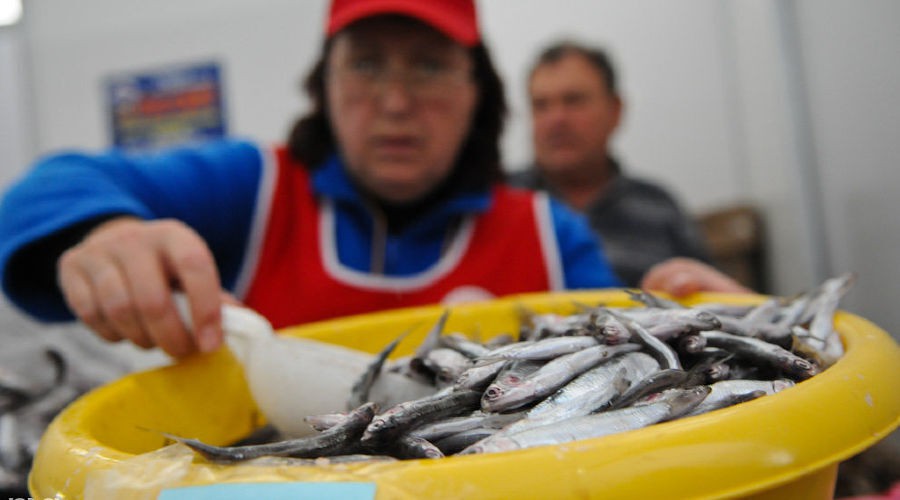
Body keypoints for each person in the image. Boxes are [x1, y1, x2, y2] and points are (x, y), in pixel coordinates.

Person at [0, 0, 744, 360]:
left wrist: (726, 339)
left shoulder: (550, 236)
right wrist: (106, 232)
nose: (394, 103)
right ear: (323, 85)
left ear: (477, 94)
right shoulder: (254, 190)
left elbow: (630, 377)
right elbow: (53, 184)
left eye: (429, 66)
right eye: (365, 64)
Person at [508, 40, 713, 287]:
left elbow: (709, 299)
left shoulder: (660, 209)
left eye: (574, 101)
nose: (556, 119)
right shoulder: (498, 202)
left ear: (615, 110)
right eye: (541, 105)